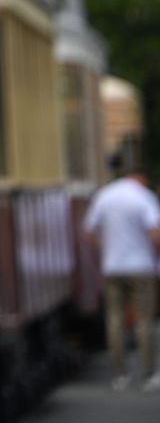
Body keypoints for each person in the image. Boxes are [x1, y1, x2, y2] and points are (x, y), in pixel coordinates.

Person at [82, 151, 160, 391]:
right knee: (144, 319)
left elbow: (88, 232)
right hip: (141, 266)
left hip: (112, 266)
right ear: (141, 178)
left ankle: (120, 375)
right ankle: (148, 374)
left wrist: (103, 252)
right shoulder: (144, 197)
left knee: (114, 319)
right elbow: (155, 234)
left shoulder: (104, 196)